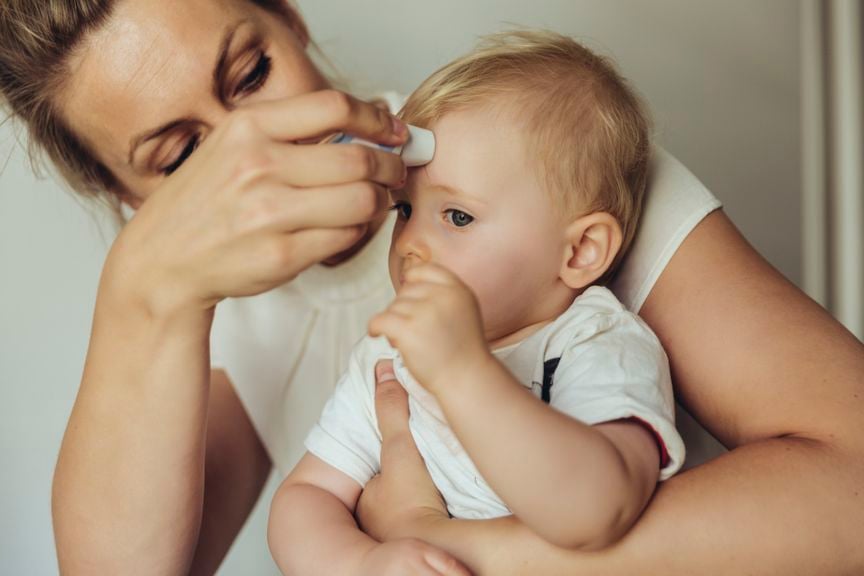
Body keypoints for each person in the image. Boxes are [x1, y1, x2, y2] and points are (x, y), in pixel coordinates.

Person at [0, 1, 860, 575]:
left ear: (289, 18)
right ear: (130, 201)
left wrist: (447, 548)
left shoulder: (536, 156)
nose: (251, 158)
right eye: (181, 159)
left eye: (252, 74)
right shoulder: (216, 325)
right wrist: (143, 291)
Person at [268, 31, 687, 575]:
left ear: (580, 250)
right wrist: (362, 563)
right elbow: (306, 497)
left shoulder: (597, 341)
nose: (412, 242)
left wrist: (463, 372)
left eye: (458, 216)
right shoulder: (389, 354)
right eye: (405, 210)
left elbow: (598, 509)